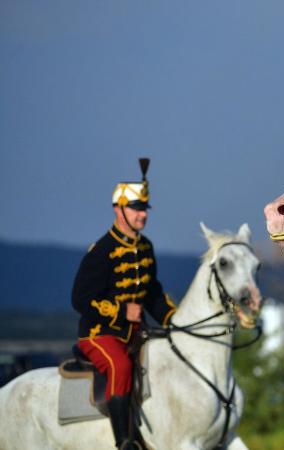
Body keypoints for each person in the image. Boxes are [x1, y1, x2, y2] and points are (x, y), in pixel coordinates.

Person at [71, 158, 176, 450]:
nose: (142, 215)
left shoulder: (145, 247)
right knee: (120, 366)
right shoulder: (102, 251)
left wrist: (174, 321)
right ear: (118, 209)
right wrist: (120, 311)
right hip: (99, 334)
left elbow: (152, 294)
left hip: (136, 334)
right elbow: (79, 299)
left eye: (144, 209)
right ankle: (124, 442)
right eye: (136, 208)